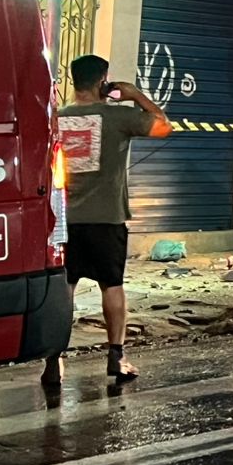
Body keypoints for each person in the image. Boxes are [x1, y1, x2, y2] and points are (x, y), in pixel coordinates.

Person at [46, 54, 172, 385]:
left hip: (63, 221)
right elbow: (164, 126)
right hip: (107, 219)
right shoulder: (118, 116)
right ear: (103, 81)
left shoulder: (56, 118)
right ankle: (116, 357)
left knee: (64, 288)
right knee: (112, 285)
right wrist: (135, 94)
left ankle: (52, 360)